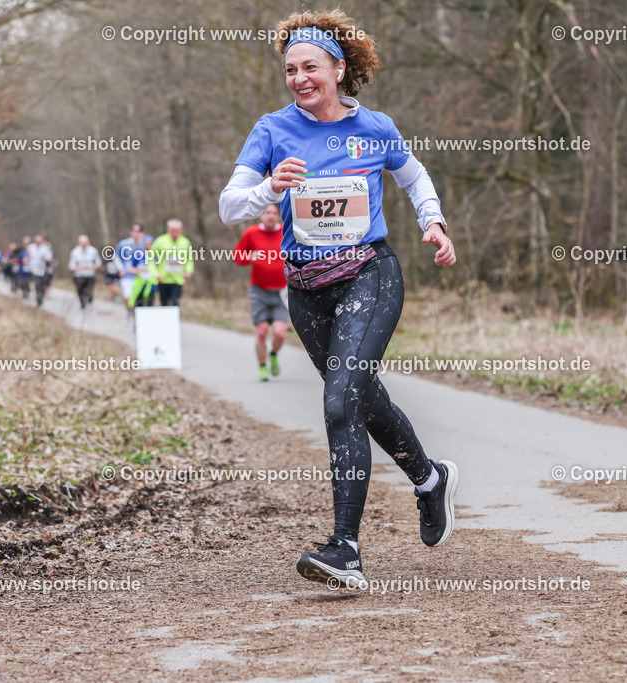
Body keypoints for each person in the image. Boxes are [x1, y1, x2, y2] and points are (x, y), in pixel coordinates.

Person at [219, 10, 458, 589]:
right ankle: (430, 480)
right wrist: (269, 187)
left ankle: (345, 548)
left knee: (338, 402)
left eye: (311, 67)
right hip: (304, 291)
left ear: (338, 68)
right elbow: (230, 206)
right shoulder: (272, 130)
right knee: (363, 399)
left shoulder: (374, 126)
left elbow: (414, 175)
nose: (299, 78)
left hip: (368, 276)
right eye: (290, 69)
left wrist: (434, 221)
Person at [233, 204, 288, 382]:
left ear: (279, 215)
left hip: (282, 292)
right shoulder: (251, 233)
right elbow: (237, 256)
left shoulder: (287, 231)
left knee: (280, 333)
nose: (271, 216)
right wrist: (249, 257)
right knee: (262, 332)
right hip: (259, 290)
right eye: (267, 213)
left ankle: (273, 354)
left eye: (274, 213)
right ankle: (263, 367)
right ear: (260, 216)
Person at [149, 219, 194, 307]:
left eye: (177, 230)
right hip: (163, 278)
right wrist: (155, 274)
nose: (175, 232)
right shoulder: (160, 241)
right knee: (164, 304)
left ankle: (175, 320)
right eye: (173, 230)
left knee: (175, 303)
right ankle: (165, 320)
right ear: (168, 230)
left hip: (178, 279)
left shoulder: (185, 242)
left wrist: (189, 271)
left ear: (181, 230)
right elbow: (150, 259)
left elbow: (189, 259)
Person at [116, 224, 152, 316]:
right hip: (127, 274)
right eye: (134, 231)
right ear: (131, 232)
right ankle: (129, 312)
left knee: (140, 298)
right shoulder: (123, 244)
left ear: (142, 233)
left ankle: (137, 316)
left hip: (141, 277)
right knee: (128, 296)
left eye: (138, 232)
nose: (136, 234)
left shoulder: (144, 244)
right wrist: (121, 269)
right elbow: (116, 257)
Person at [68, 234, 102, 311]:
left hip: (90, 275)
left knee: (89, 290)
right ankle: (82, 305)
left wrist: (93, 266)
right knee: (80, 291)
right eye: (82, 243)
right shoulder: (74, 252)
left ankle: (89, 302)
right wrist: (78, 267)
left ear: (88, 242)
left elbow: (98, 263)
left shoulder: (93, 251)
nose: (83, 245)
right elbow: (71, 266)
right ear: (79, 243)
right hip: (79, 276)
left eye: (85, 242)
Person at [26, 234, 54, 307]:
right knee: (37, 284)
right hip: (34, 269)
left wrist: (45, 258)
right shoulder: (30, 247)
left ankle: (41, 297)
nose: (38, 242)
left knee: (42, 285)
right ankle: (38, 299)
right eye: (36, 241)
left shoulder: (45, 248)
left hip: (43, 270)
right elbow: (27, 257)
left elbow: (50, 259)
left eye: (39, 241)